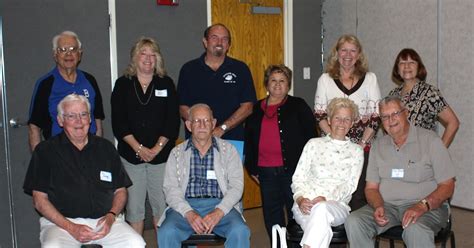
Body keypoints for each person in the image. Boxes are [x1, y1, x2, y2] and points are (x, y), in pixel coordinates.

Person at [23, 94, 145, 247]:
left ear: (90, 119)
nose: (79, 121)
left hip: (106, 220)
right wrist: (71, 227)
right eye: (71, 116)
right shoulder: (45, 151)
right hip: (61, 224)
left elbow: (120, 191)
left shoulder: (106, 148)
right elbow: (39, 200)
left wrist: (111, 215)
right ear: (60, 121)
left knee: (135, 243)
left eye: (83, 114)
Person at [345, 96, 456, 248]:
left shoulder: (430, 140)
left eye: (395, 113)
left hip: (426, 207)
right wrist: (378, 206)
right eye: (385, 117)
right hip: (387, 206)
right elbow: (371, 188)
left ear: (407, 113)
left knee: (415, 230)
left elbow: (447, 185)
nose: (390, 120)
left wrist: (422, 205)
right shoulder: (378, 146)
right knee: (354, 221)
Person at [111, 37, 179, 235]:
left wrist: (156, 149)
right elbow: (119, 123)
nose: (148, 59)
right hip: (131, 158)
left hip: (161, 158)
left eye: (153, 54)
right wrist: (139, 149)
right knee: (134, 210)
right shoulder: (123, 84)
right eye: (143, 53)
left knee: (161, 208)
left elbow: (172, 122)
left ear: (158, 58)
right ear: (135, 57)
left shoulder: (166, 83)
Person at [157, 104, 250, 248]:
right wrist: (188, 213)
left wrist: (219, 211)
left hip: (221, 205)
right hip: (185, 206)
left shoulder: (229, 151)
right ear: (188, 125)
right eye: (197, 121)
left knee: (240, 231)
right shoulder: (176, 153)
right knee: (166, 232)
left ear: (213, 124)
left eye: (206, 121)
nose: (202, 125)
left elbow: (237, 187)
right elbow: (170, 189)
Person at [244, 64, 316, 241]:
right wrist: (252, 169)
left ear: (288, 84)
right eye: (273, 80)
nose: (277, 84)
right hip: (266, 173)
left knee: (297, 214)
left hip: (294, 171)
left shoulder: (298, 105)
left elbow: (312, 139)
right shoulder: (254, 109)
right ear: (266, 84)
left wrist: (309, 169)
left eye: (282, 81)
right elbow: (250, 141)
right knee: (272, 216)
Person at [314, 34, 381, 211]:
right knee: (333, 195)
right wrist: (337, 141)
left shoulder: (370, 79)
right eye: (344, 50)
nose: (348, 55)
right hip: (332, 148)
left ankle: (358, 235)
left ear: (359, 54)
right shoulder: (325, 79)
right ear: (337, 53)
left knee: (359, 196)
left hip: (362, 147)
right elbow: (320, 115)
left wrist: (361, 144)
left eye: (353, 50)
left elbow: (375, 116)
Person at [291, 98, 364, 248]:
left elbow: (350, 186)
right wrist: (300, 199)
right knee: (319, 227)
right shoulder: (313, 144)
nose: (342, 122)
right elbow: (298, 177)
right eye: (338, 117)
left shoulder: (356, 151)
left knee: (321, 209)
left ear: (352, 123)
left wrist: (326, 198)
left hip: (337, 205)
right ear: (329, 120)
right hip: (305, 203)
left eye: (347, 119)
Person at [177, 23, 257, 141]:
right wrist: (202, 128)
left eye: (224, 39)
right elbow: (182, 106)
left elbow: (248, 107)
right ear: (205, 41)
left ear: (228, 44)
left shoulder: (240, 69)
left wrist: (222, 128)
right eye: (214, 38)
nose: (219, 43)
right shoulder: (189, 69)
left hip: (232, 140)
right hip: (198, 140)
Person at [28, 30, 105, 152]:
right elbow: (34, 127)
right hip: (58, 154)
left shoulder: (90, 80)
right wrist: (40, 162)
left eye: (73, 49)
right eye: (63, 50)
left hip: (89, 151)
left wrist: (97, 152)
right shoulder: (46, 84)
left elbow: (97, 121)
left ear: (80, 54)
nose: (68, 54)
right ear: (55, 55)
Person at [388, 48, 459, 147]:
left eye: (411, 62)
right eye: (402, 62)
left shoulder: (430, 93)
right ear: (397, 69)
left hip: (422, 157)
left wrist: (439, 153)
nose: (406, 66)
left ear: (418, 68)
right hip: (396, 156)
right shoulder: (393, 94)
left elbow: (453, 122)